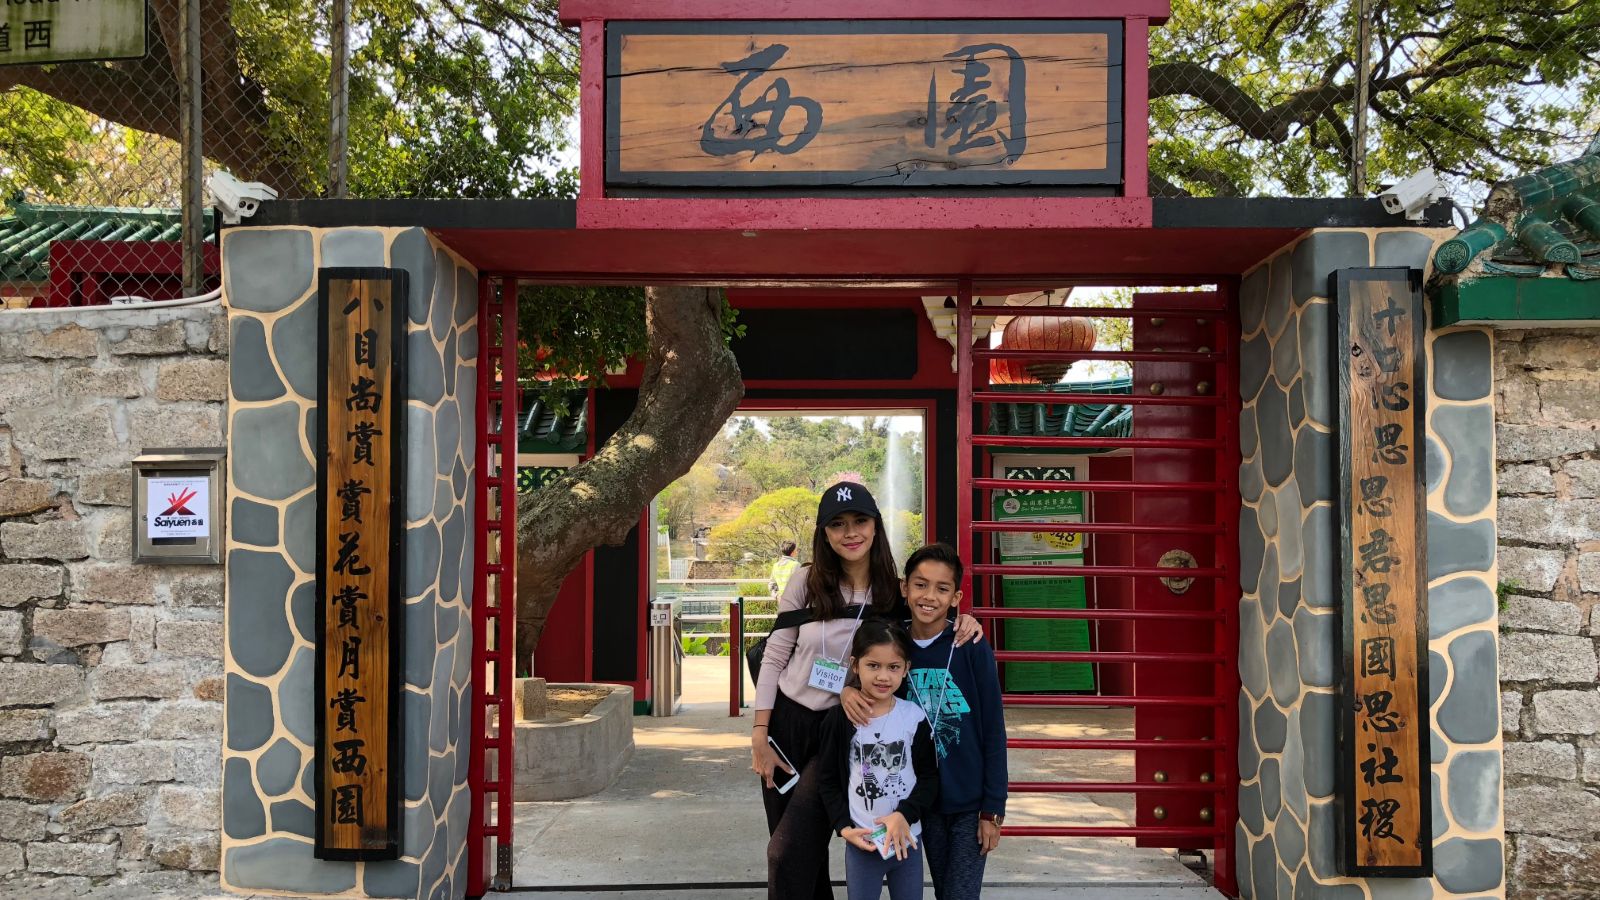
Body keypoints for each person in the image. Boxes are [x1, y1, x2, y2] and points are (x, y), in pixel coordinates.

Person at [752, 481, 982, 900]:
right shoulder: (805, 581)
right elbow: (775, 655)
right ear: (824, 533)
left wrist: (964, 620)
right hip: (790, 723)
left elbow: (928, 618)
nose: (850, 532)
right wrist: (759, 733)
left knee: (787, 853)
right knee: (799, 856)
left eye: (860, 520)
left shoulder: (892, 591)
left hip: (850, 726)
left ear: (875, 526)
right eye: (837, 524)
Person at [900, 543, 1007, 900]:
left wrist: (993, 809)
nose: (929, 596)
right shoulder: (891, 645)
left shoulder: (970, 644)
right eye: (920, 584)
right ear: (904, 588)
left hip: (968, 803)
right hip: (918, 800)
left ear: (955, 597)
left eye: (942, 588)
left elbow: (993, 730)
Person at [816, 620, 939, 900]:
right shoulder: (839, 719)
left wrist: (904, 815)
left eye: (893, 667)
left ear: (906, 668)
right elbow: (828, 780)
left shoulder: (914, 717)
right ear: (855, 665)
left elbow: (930, 778)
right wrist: (844, 828)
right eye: (873, 665)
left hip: (907, 839)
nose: (883, 676)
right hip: (862, 842)